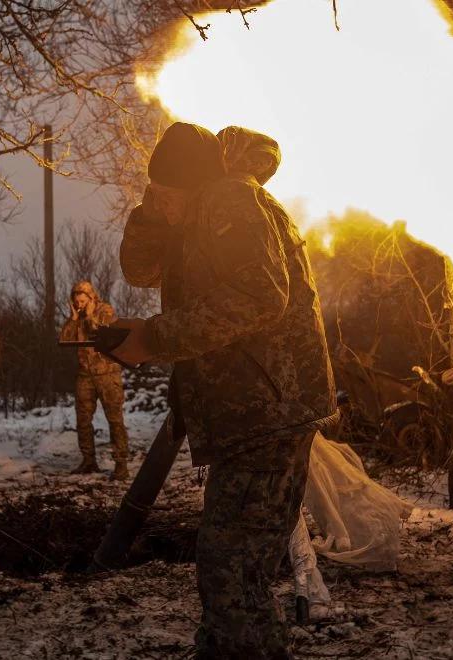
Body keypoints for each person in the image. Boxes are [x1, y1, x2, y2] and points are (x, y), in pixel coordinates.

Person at [115, 123, 337, 659]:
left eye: (166, 195)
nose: (160, 205)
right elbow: (139, 268)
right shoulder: (195, 213)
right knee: (230, 574)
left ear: (190, 186)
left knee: (232, 576)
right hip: (252, 412)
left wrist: (158, 337)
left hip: (268, 410)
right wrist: (152, 208)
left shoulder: (228, 200)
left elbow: (262, 295)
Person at [59, 281, 131, 480]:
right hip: (85, 376)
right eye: (76, 301)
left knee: (115, 420)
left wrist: (90, 316)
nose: (79, 304)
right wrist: (74, 318)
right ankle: (88, 461)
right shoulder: (77, 317)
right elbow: (64, 340)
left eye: (82, 300)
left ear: (91, 298)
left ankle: (121, 465)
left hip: (107, 374)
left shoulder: (105, 311)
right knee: (83, 420)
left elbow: (106, 335)